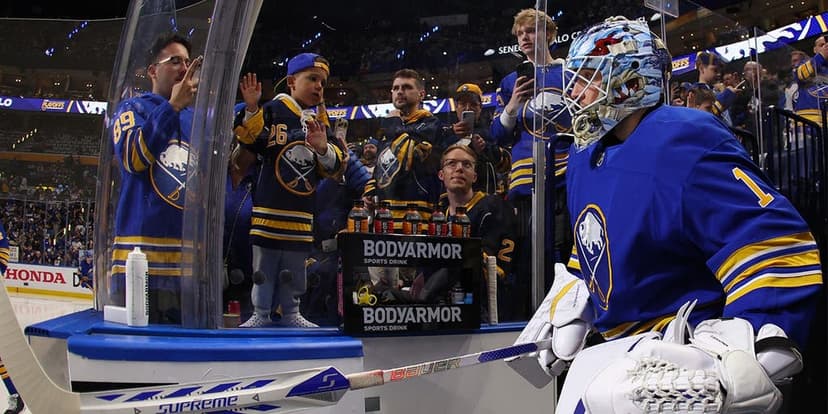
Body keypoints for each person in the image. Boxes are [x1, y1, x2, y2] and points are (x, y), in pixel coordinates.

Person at [514, 17, 822, 412]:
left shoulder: (682, 137)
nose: (574, 92)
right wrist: (574, 300)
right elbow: (594, 244)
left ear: (630, 81)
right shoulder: (581, 153)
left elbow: (771, 243)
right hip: (610, 355)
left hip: (679, 357)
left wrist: (743, 352)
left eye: (587, 77)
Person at [233, 55, 345, 328]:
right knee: (264, 266)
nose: (319, 86)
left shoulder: (320, 122)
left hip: (301, 212)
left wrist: (322, 148)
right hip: (269, 209)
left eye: (322, 82)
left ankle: (292, 313)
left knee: (295, 268)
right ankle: (261, 313)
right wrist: (250, 109)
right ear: (293, 82)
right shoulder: (272, 110)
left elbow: (335, 167)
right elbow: (249, 141)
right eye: (312, 79)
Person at [109, 32, 203, 324]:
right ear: (153, 71)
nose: (184, 69)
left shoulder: (195, 120)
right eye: (174, 61)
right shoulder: (131, 109)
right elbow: (134, 159)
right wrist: (172, 107)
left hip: (185, 267)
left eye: (188, 63)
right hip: (139, 263)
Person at [490, 8, 572, 317]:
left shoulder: (569, 72)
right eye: (520, 33)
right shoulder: (511, 81)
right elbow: (497, 134)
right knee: (528, 253)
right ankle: (533, 317)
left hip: (565, 172)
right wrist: (511, 106)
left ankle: (566, 315)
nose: (525, 37)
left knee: (564, 247)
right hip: (526, 179)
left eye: (531, 31)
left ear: (549, 34)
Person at [437, 144, 517, 321]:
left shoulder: (493, 207)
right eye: (451, 164)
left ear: (474, 176)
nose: (459, 169)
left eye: (466, 165)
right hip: (444, 308)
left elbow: (495, 268)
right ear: (441, 175)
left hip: (484, 307)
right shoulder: (440, 216)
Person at [363, 68, 448, 226]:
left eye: (407, 87)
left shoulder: (430, 124)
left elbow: (408, 156)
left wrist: (393, 125)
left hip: (418, 213)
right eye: (396, 88)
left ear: (421, 94)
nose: (400, 92)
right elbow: (382, 164)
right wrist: (370, 191)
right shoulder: (388, 126)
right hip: (385, 212)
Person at [448, 83, 510, 194]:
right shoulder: (445, 133)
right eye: (463, 104)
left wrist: (484, 149)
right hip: (451, 199)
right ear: (456, 107)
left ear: (480, 108)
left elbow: (506, 164)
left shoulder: (491, 132)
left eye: (473, 104)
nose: (467, 108)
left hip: (483, 197)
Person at [792, 34, 828, 125]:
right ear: (814, 49)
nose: (825, 47)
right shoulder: (804, 62)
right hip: (806, 120)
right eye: (821, 45)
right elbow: (800, 75)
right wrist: (822, 56)